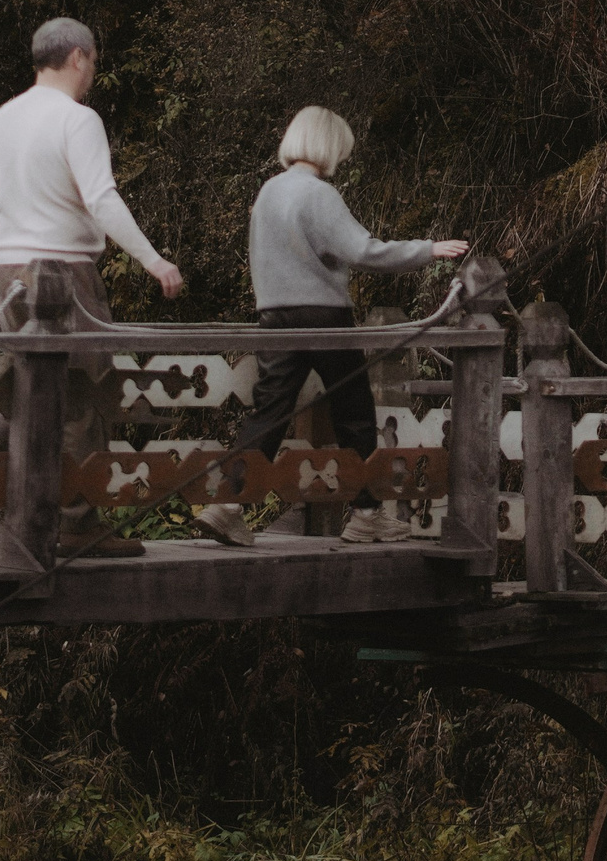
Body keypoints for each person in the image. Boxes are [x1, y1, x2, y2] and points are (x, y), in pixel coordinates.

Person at [196, 106, 468, 547]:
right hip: (323, 316)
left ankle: (228, 503)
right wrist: (428, 249)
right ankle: (365, 514)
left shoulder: (268, 192)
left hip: (275, 315)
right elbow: (364, 250)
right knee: (354, 413)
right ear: (328, 145)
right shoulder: (319, 194)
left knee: (270, 410)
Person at [0, 17, 183, 549]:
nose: (93, 73)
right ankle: (81, 523)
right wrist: (154, 261)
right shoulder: (77, 120)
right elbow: (102, 197)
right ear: (79, 57)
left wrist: (12, 235)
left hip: (9, 267)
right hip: (66, 270)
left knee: (24, 378)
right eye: (94, 62)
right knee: (85, 388)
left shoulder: (1, 119)